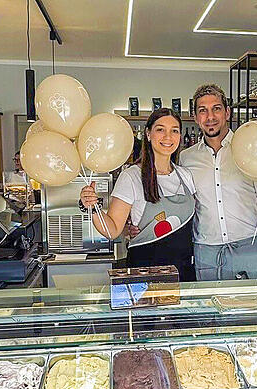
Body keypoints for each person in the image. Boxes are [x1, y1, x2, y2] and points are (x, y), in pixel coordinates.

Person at [179, 83, 257, 281]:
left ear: (227, 112)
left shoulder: (249, 149)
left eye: (216, 109)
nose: (210, 117)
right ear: (195, 118)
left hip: (247, 247)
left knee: (250, 310)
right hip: (206, 252)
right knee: (208, 311)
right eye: (203, 111)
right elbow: (182, 205)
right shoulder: (186, 158)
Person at [80, 108, 197, 281]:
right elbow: (112, 229)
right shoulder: (132, 176)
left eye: (174, 130)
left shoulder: (185, 175)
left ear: (180, 137)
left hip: (184, 272)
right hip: (145, 272)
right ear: (148, 134)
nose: (168, 136)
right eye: (160, 129)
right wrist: (92, 207)